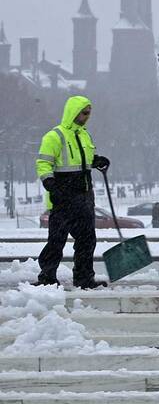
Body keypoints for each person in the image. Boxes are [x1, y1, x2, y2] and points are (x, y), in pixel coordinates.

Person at [34, 95, 109, 289]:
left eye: (89, 113)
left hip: (84, 196)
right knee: (56, 240)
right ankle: (47, 278)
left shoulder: (85, 135)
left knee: (87, 240)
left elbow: (85, 160)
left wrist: (97, 161)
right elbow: (44, 163)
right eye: (84, 113)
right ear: (73, 112)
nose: (87, 117)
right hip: (63, 197)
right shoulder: (55, 136)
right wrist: (50, 183)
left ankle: (84, 279)